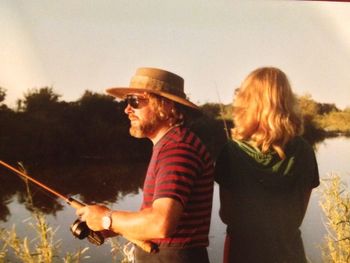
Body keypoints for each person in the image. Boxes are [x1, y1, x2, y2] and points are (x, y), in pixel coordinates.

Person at [77, 67, 214, 263]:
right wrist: (112, 227)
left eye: (135, 101)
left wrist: (107, 218)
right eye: (127, 101)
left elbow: (161, 222)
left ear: (166, 106)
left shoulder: (178, 149)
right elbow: (154, 216)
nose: (127, 109)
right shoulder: (170, 145)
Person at [215, 67, 319, 263]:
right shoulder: (305, 150)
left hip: (243, 254)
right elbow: (297, 216)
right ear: (287, 102)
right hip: (290, 255)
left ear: (247, 102)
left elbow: (227, 215)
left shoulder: (231, 151)